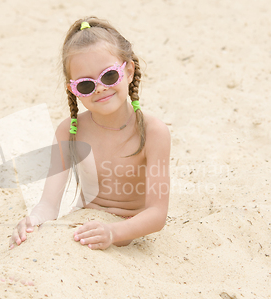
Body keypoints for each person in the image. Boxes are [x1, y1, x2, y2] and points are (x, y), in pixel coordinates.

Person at [9, 16, 170, 250]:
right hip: (82, 226)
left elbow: (157, 214)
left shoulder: (154, 132)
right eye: (86, 84)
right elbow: (48, 204)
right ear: (73, 90)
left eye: (109, 75)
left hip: (129, 234)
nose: (101, 87)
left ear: (129, 71)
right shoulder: (69, 131)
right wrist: (33, 221)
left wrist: (113, 232)